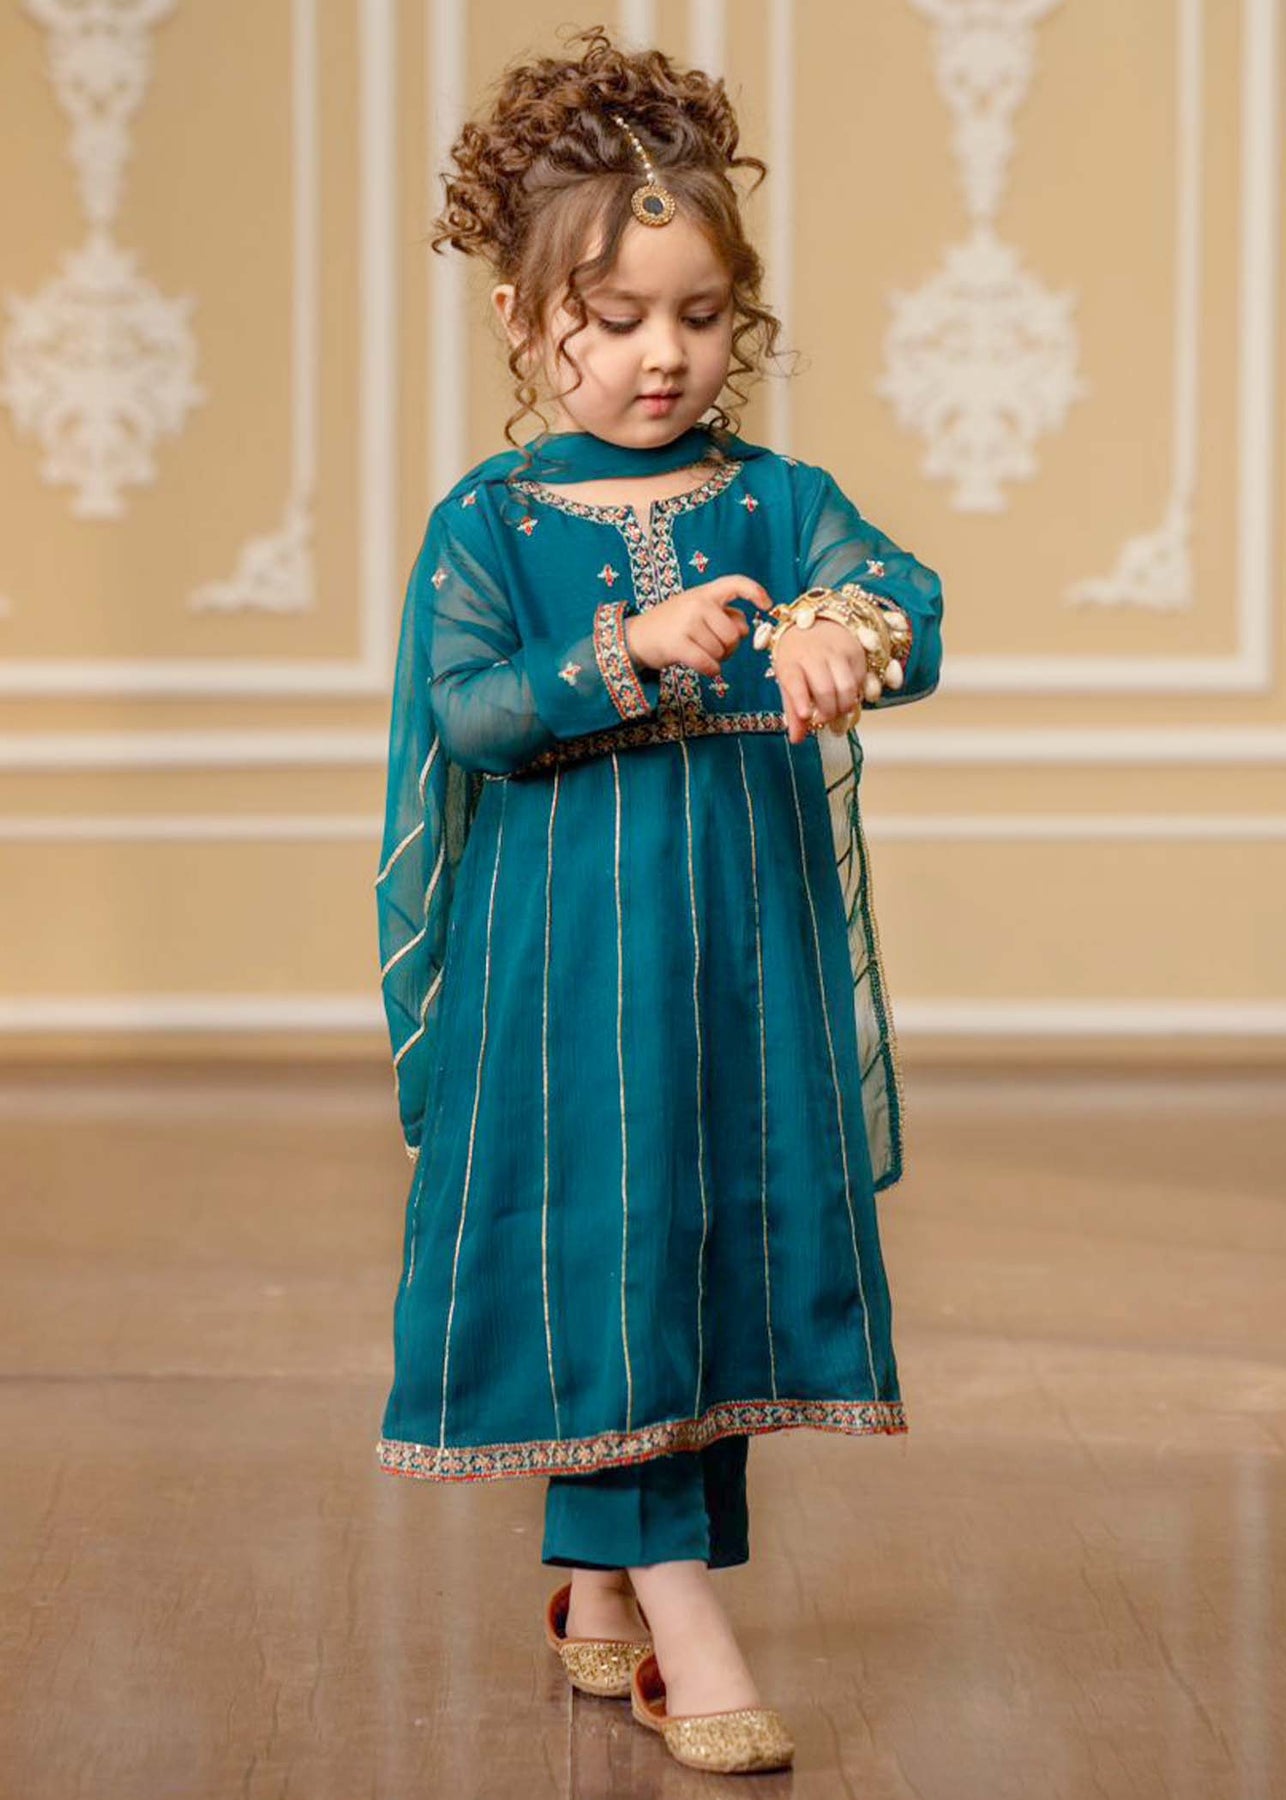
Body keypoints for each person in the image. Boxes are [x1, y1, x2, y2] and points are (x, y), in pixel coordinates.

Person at [373, 24, 944, 1777]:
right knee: (603, 1244)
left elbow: (901, 597)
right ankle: (684, 1618)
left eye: (698, 315)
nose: (659, 356)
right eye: (612, 318)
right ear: (520, 319)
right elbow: (471, 715)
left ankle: (602, 1582)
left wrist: (843, 628)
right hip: (561, 960)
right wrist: (626, 645)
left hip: (740, 955)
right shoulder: (493, 522)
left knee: (700, 1245)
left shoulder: (776, 500)